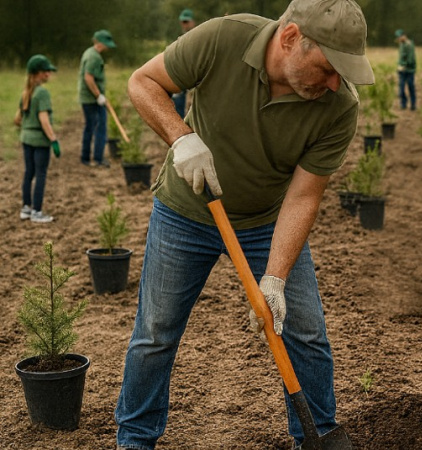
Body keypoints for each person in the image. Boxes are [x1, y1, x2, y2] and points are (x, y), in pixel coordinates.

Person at [114, 0, 374, 448]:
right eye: (329, 67)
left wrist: (274, 277)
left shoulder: (338, 107)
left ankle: (317, 437)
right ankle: (135, 438)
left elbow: (304, 196)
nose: (335, 83)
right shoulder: (223, 38)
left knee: (306, 333)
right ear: (291, 38)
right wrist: (182, 137)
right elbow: (143, 82)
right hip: (185, 214)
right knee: (155, 333)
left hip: (266, 222)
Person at [15, 55, 60, 223]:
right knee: (40, 174)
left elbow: (18, 119)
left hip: (26, 137)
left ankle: (26, 208)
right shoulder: (42, 92)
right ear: (37, 73)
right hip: (39, 140)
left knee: (29, 172)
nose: (49, 74)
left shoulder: (27, 91)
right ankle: (37, 211)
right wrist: (53, 139)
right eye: (45, 71)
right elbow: (44, 119)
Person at [78, 29, 116, 168]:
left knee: (89, 126)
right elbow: (88, 77)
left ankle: (85, 157)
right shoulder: (94, 57)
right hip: (91, 99)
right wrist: (98, 96)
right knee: (100, 127)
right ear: (100, 43)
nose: (107, 47)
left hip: (87, 98)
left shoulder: (89, 52)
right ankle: (98, 159)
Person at [172, 8, 197, 118]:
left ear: (193, 22)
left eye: (187, 22)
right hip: (181, 78)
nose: (184, 25)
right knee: (178, 106)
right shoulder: (180, 39)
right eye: (183, 22)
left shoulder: (198, 38)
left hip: (195, 79)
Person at [395, 29, 416, 111]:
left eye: (400, 37)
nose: (399, 39)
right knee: (401, 88)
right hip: (402, 71)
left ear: (404, 36)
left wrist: (404, 65)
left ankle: (413, 104)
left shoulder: (409, 44)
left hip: (409, 70)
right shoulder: (401, 45)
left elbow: (411, 59)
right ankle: (403, 104)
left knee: (411, 87)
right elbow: (400, 58)